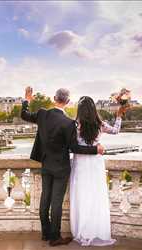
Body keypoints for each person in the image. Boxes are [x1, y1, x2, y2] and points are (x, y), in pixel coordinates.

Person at [21, 87, 105, 247]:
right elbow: (75, 148)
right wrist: (96, 149)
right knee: (56, 202)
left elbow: (24, 115)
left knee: (45, 198)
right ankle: (55, 237)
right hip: (61, 167)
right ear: (67, 102)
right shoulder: (68, 123)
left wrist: (27, 100)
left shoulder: (42, 114)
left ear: (54, 98)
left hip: (45, 164)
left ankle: (45, 233)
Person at [70, 96, 127, 246]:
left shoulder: (75, 125)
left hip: (80, 163)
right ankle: (96, 229)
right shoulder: (100, 124)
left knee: (81, 196)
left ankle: (82, 230)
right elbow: (116, 130)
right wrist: (119, 116)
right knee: (96, 195)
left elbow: (73, 146)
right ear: (94, 109)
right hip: (95, 163)